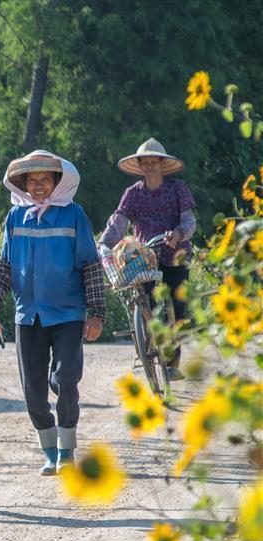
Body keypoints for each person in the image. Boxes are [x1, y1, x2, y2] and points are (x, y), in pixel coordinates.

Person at [0, 150, 106, 476]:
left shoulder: (74, 216)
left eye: (45, 180)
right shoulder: (14, 218)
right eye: (32, 181)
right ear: (23, 185)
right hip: (28, 315)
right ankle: (50, 453)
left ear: (57, 182)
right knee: (33, 391)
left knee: (65, 380)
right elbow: (4, 266)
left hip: (68, 314)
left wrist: (96, 312)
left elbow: (91, 267)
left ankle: (67, 451)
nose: (38, 186)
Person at [99, 138, 196, 380]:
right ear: (140, 166)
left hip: (176, 253)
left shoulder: (178, 188)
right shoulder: (132, 194)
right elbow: (119, 222)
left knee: (178, 305)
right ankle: (146, 345)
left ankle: (173, 362)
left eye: (155, 162)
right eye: (146, 162)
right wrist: (105, 244)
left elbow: (188, 220)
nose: (151, 166)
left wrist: (179, 233)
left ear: (162, 164)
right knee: (149, 305)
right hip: (145, 256)